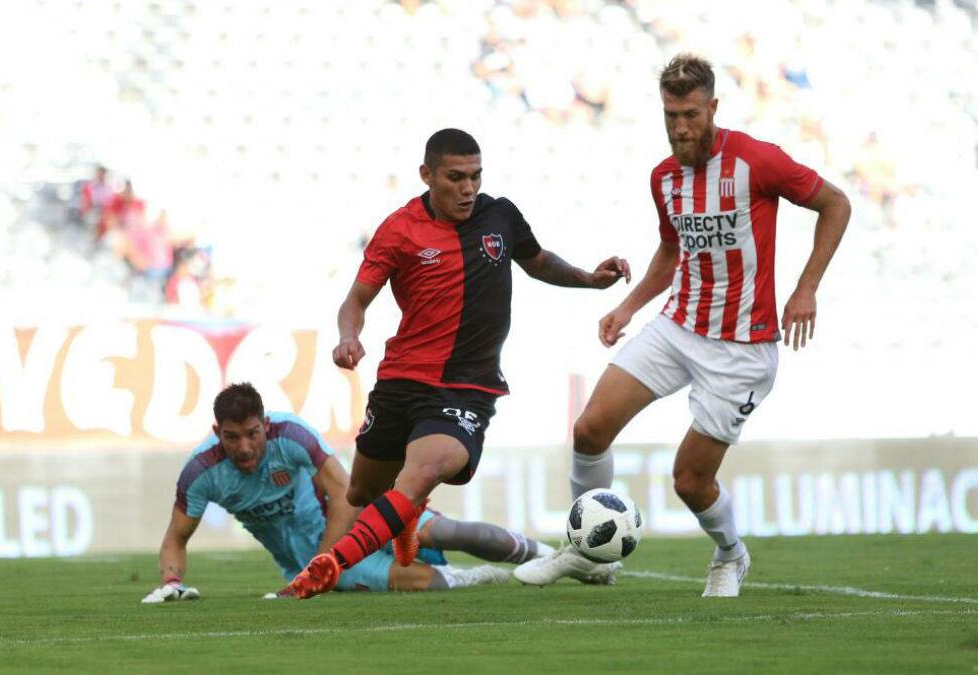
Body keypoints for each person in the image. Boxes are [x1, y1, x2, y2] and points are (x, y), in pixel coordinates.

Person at [514, 54, 851, 597]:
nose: (680, 127)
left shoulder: (757, 161)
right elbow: (672, 253)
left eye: (691, 114)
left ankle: (730, 553)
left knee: (690, 480)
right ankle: (586, 554)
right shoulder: (664, 178)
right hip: (678, 327)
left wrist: (806, 287)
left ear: (713, 107)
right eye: (670, 115)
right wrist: (628, 309)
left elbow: (836, 203)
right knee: (589, 428)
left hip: (741, 348)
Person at [282, 128, 631, 599]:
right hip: (401, 379)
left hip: (467, 386)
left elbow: (538, 261)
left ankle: (328, 565)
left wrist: (589, 279)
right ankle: (405, 517)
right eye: (455, 177)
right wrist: (349, 336)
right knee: (364, 494)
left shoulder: (500, 216)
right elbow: (356, 300)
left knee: (425, 469)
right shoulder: (400, 229)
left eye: (475, 176)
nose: (468, 188)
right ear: (427, 175)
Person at [141, 383, 550, 603]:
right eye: (232, 438)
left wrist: (326, 559)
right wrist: (172, 582)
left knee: (452, 533)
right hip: (319, 564)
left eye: (252, 434)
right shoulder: (201, 472)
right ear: (217, 434)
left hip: (350, 529)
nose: (245, 448)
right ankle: (477, 578)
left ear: (265, 424)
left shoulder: (293, 435)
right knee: (431, 585)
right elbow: (176, 538)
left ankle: (551, 557)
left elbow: (347, 495)